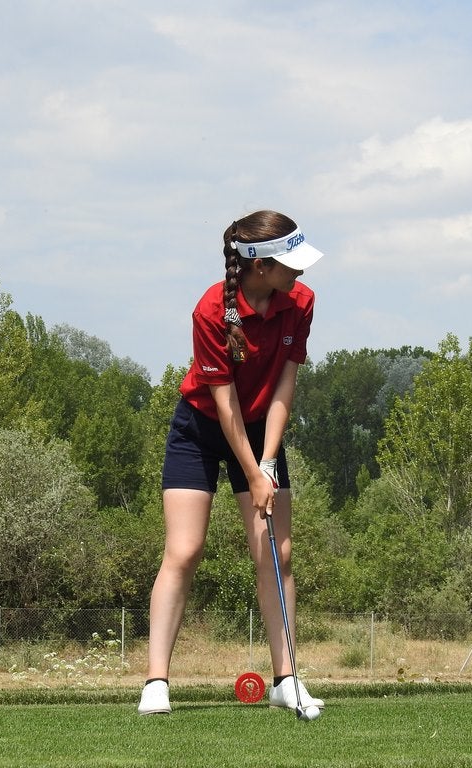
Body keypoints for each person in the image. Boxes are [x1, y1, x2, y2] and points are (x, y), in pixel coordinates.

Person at [138, 210, 325, 715]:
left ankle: (285, 680)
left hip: (263, 426)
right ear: (259, 266)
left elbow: (286, 383)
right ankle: (156, 683)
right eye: (291, 263)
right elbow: (223, 405)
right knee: (184, 549)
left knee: (275, 553)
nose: (301, 273)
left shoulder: (300, 302)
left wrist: (267, 462)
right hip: (200, 429)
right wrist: (250, 471)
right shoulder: (210, 311)